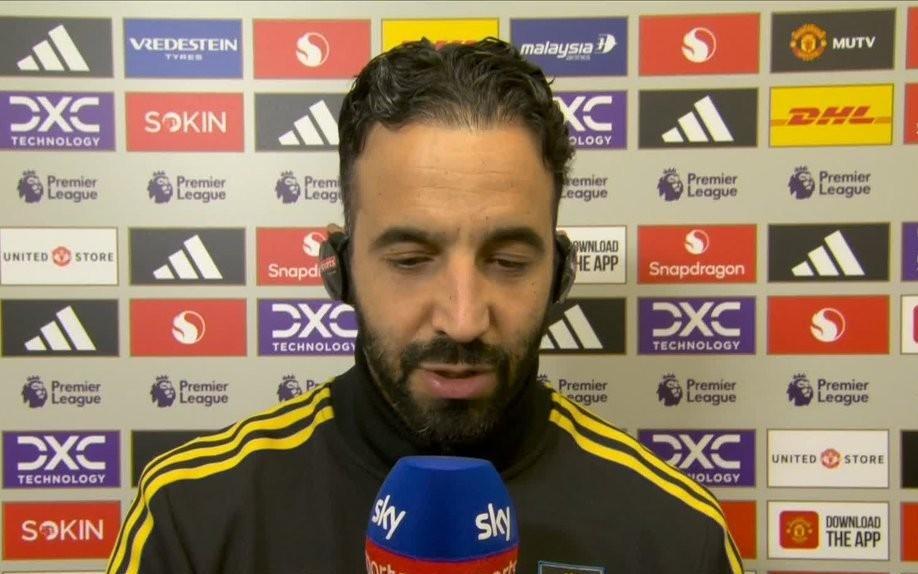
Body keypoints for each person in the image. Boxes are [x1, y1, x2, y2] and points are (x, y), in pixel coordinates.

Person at [107, 38, 743, 574]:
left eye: (508, 261)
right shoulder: (192, 521)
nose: (463, 320)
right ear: (339, 268)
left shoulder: (676, 536)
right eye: (411, 260)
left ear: (560, 272)